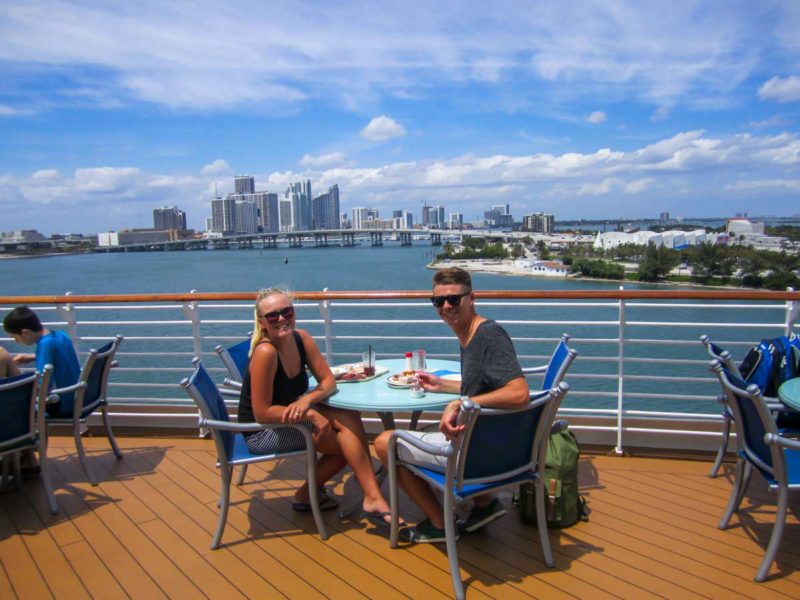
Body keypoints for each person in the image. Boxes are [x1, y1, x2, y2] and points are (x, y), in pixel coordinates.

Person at [375, 267, 530, 543]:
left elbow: (519, 393)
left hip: (478, 456)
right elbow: (485, 387)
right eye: (438, 301)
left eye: (454, 299)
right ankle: (484, 505)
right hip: (493, 445)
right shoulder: (469, 333)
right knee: (426, 429)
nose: (446, 306)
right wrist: (444, 386)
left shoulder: (489, 335)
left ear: (472, 299)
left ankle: (440, 524)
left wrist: (462, 401)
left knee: (385, 442)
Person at [238, 287, 400, 524]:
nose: (282, 319)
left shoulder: (301, 339)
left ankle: (367, 494)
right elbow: (261, 412)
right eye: (273, 316)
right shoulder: (266, 352)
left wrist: (306, 401)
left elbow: (328, 382)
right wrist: (311, 415)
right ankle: (368, 495)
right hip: (263, 431)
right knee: (347, 443)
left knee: (349, 417)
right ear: (262, 322)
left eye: (287, 312)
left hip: (292, 416)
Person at [3, 306, 81, 417]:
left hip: (61, 405)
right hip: (76, 397)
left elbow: (44, 386)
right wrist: (33, 356)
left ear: (25, 332)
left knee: (10, 407)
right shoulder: (62, 336)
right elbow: (60, 356)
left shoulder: (45, 345)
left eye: (15, 337)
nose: (16, 341)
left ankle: (30, 434)